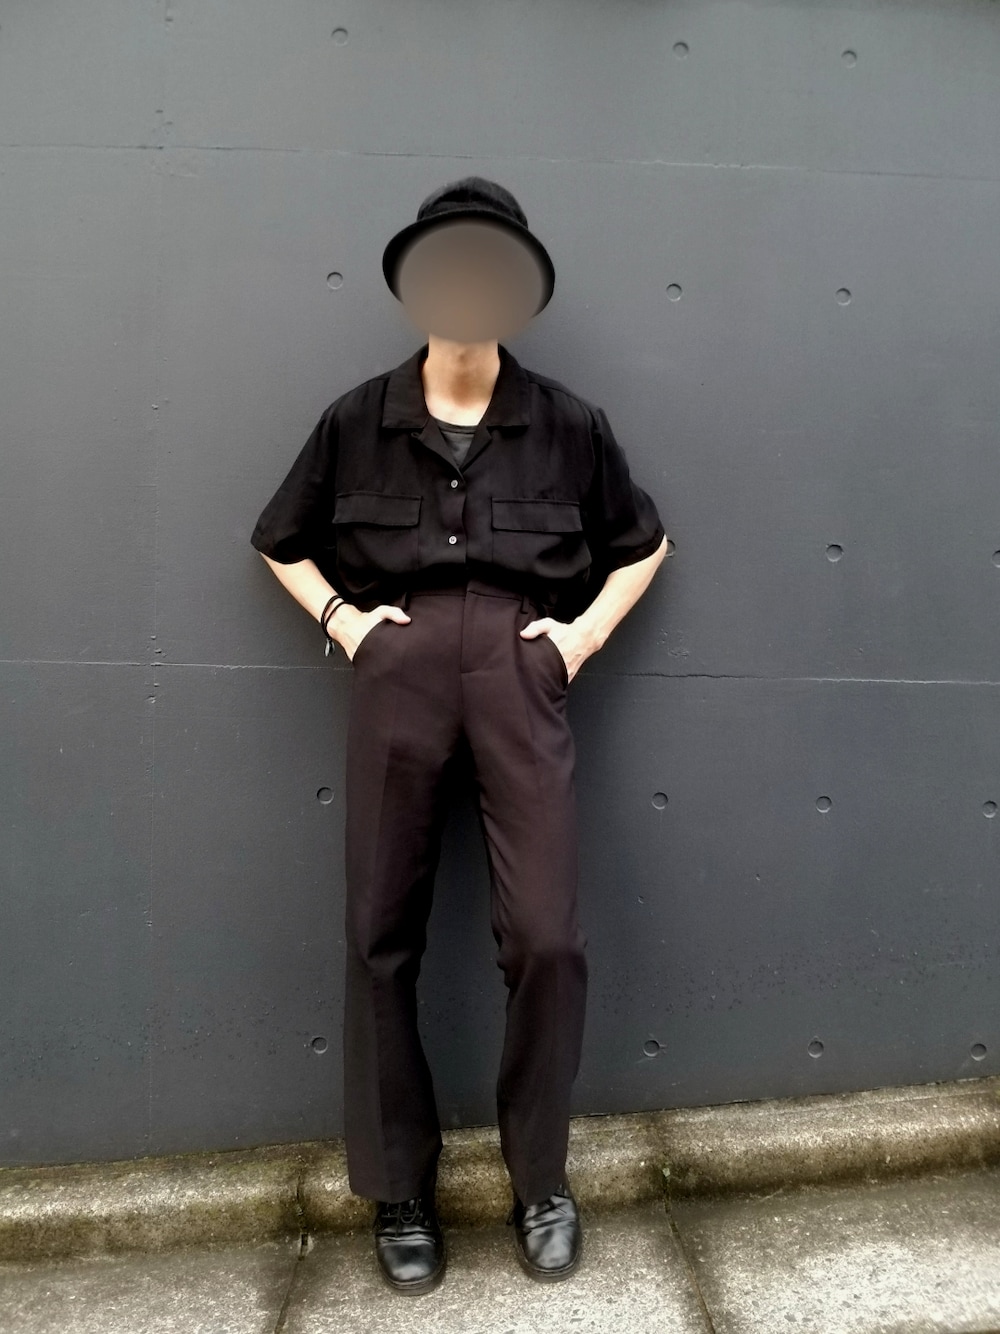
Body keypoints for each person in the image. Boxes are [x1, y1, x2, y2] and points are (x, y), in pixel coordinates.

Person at [249, 176, 668, 1294]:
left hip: (523, 672)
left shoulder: (568, 423)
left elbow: (643, 544)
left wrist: (577, 639)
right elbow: (278, 538)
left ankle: (541, 1179)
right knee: (380, 929)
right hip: (399, 670)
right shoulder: (358, 419)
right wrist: (344, 622)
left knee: (546, 937)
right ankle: (400, 1186)